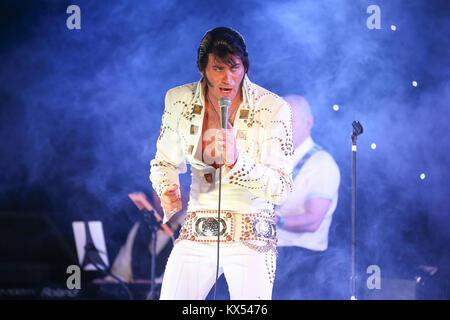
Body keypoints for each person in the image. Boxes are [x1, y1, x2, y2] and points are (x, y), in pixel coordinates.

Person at [149, 27, 294, 300]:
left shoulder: (273, 108)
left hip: (251, 234)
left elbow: (282, 188)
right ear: (202, 68)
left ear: (245, 67)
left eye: (235, 68)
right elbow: (165, 162)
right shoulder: (178, 100)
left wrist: (238, 161)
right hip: (197, 228)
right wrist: (168, 191)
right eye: (218, 68)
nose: (228, 78)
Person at [272, 95, 341, 300]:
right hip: (265, 256)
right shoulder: (271, 159)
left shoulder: (322, 163)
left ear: (308, 122)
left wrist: (276, 220)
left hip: (302, 263)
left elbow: (312, 221)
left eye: (289, 120)